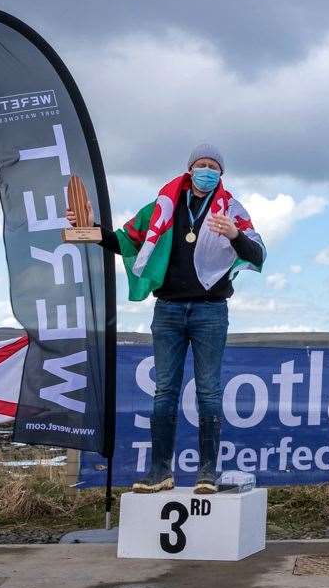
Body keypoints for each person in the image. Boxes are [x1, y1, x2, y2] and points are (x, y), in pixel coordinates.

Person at [68, 144, 266, 494]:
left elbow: (257, 254)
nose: (207, 170)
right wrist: (89, 228)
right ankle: (159, 472)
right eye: (201, 164)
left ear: (221, 173)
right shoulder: (162, 206)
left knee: (208, 392)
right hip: (168, 310)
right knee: (164, 393)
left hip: (211, 310)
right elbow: (124, 242)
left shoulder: (232, 210)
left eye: (213, 166)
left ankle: (208, 473)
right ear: (189, 168)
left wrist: (234, 235)